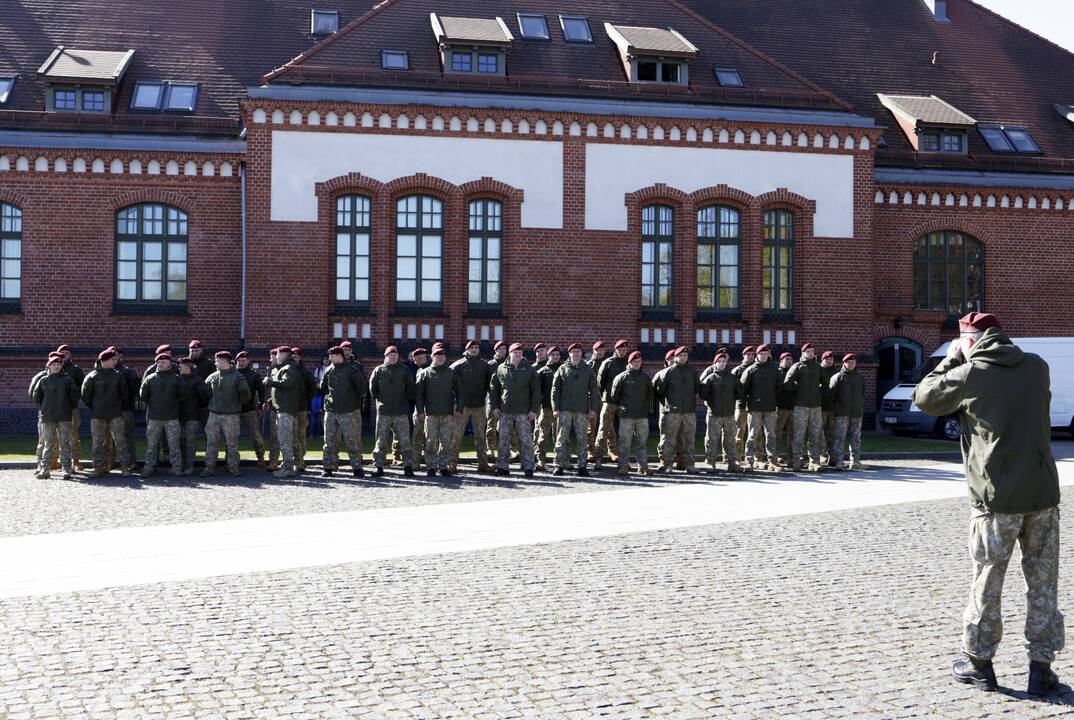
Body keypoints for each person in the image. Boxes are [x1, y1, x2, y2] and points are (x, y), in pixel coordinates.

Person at [913, 312, 1063, 697]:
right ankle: (1041, 668)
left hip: (997, 498)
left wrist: (953, 358)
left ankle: (979, 664)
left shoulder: (970, 374)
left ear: (969, 340)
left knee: (988, 581)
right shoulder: (1036, 366)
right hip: (1042, 492)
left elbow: (925, 397)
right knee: (1043, 584)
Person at [489, 342, 539, 477]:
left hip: (524, 412)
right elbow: (494, 390)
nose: (517, 355)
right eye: (515, 352)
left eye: (520, 353)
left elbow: (536, 391)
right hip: (505, 411)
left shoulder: (529, 369)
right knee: (504, 440)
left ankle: (528, 466)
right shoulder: (501, 368)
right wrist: (494, 407)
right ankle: (502, 467)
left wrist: (534, 409)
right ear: (509, 354)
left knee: (526, 440)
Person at [551, 343, 600, 476]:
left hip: (581, 410)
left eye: (578, 351)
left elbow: (594, 391)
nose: (576, 353)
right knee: (561, 438)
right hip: (565, 410)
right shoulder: (562, 369)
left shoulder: (588, 370)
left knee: (582, 439)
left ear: (581, 353)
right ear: (569, 354)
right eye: (573, 351)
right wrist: (555, 408)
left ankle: (582, 466)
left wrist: (594, 409)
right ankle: (559, 465)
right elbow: (555, 390)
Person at [81, 348, 131, 477]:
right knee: (98, 442)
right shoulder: (92, 376)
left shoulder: (118, 375)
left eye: (115, 359)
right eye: (113, 359)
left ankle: (125, 467)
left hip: (116, 414)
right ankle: (99, 467)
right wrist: (95, 407)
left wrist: (118, 407)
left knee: (121, 441)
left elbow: (124, 394)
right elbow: (85, 395)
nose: (115, 361)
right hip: (98, 415)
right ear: (104, 361)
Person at [319, 345, 367, 478]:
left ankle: (357, 467)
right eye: (329, 356)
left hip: (348, 411)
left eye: (332, 356)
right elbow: (323, 388)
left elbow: (362, 389)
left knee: (352, 440)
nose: (329, 358)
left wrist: (352, 401)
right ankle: (328, 467)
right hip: (331, 411)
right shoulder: (329, 370)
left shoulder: (352, 370)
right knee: (329, 441)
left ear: (339, 356)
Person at [415, 344, 463, 477]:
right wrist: (420, 411)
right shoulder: (425, 373)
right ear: (432, 357)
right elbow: (419, 394)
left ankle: (443, 466)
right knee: (430, 441)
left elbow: (460, 392)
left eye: (442, 356)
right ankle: (431, 466)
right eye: (437, 356)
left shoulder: (451, 373)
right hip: (430, 414)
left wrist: (459, 408)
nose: (440, 358)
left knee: (446, 442)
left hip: (447, 414)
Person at [31, 352, 79, 480]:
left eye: (58, 364)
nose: (56, 366)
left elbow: (74, 397)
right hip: (47, 416)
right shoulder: (43, 380)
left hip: (64, 416)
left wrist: (67, 407)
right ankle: (45, 469)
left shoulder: (67, 380)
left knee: (65, 443)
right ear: (49, 366)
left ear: (61, 366)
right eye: (54, 364)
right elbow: (36, 397)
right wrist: (45, 408)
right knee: (48, 443)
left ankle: (66, 469)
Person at [202, 351, 250, 477]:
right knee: (211, 441)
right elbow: (205, 391)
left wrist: (235, 405)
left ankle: (233, 467)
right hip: (214, 414)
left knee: (232, 442)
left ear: (224, 361)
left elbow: (245, 394)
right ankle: (210, 466)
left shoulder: (237, 377)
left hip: (231, 415)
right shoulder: (212, 377)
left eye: (217, 361)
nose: (215, 363)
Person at [369, 345, 415, 477]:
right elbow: (373, 389)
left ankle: (408, 466)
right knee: (381, 441)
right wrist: (381, 402)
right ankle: (378, 466)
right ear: (386, 357)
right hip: (383, 411)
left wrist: (403, 401)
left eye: (395, 355)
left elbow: (410, 389)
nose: (393, 357)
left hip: (400, 411)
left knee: (405, 440)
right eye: (391, 355)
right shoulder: (379, 370)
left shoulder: (404, 370)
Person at [652, 346, 699, 474]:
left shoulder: (692, 371)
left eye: (685, 355)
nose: (683, 358)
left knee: (689, 440)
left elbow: (696, 388)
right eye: (680, 356)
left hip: (689, 411)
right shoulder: (668, 372)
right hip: (673, 412)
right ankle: (668, 464)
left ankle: (690, 465)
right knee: (670, 440)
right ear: (675, 357)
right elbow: (659, 391)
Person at [450, 340, 494, 474]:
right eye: (472, 348)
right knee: (456, 436)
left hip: (479, 405)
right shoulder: (458, 365)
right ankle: (452, 463)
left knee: (480, 436)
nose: (474, 350)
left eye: (476, 347)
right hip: (462, 407)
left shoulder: (484, 365)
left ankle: (483, 464)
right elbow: (449, 384)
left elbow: (489, 384)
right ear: (466, 349)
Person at [139, 352, 183, 477]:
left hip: (172, 417)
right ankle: (149, 467)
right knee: (152, 444)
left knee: (174, 444)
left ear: (170, 363)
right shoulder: (150, 378)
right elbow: (143, 396)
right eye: (158, 362)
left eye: (163, 362)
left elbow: (182, 396)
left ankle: (177, 467)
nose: (160, 364)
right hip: (154, 417)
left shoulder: (176, 378)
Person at [609, 350, 652, 477]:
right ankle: (623, 466)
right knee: (624, 442)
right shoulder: (621, 377)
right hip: (626, 415)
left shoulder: (645, 377)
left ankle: (643, 466)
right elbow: (614, 395)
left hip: (642, 415)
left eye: (639, 361)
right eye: (634, 362)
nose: (637, 364)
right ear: (630, 363)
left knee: (642, 442)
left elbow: (650, 394)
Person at [264, 346, 303, 478]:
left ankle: (288, 468)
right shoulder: (285, 368)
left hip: (285, 410)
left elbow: (287, 383)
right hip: (283, 408)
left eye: (279, 355)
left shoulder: (288, 368)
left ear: (284, 355)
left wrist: (271, 382)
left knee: (285, 439)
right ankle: (295, 463)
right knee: (290, 439)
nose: (276, 357)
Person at [740, 344, 780, 472]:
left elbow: (779, 388)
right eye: (760, 353)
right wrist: (745, 404)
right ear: (757, 355)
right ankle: (749, 461)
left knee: (771, 435)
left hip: (770, 407)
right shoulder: (751, 370)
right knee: (752, 435)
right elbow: (742, 390)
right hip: (754, 408)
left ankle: (773, 462)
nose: (763, 355)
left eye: (765, 353)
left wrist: (774, 400)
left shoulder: (775, 369)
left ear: (769, 354)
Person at [785, 342, 824, 471]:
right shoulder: (797, 367)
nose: (810, 353)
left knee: (815, 434)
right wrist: (799, 391)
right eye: (807, 351)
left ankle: (814, 461)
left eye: (812, 351)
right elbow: (787, 384)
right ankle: (796, 460)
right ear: (803, 353)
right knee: (799, 434)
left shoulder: (818, 368)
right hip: (801, 406)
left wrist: (819, 393)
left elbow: (826, 383)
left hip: (815, 406)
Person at [700, 349, 741, 473]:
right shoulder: (710, 378)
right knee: (712, 439)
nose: (722, 363)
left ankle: (732, 463)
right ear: (715, 363)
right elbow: (703, 393)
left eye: (724, 361)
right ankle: (711, 463)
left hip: (729, 414)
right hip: (714, 414)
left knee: (730, 439)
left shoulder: (732, 378)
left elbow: (739, 392)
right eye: (719, 361)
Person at [595, 339, 630, 467]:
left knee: (625, 432)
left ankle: (623, 460)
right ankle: (598, 458)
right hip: (609, 402)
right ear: (615, 350)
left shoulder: (630, 362)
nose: (622, 352)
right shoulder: (608, 363)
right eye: (620, 350)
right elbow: (600, 384)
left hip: (625, 403)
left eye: (624, 350)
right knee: (603, 430)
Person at [829, 353, 865, 471]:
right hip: (842, 413)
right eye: (848, 362)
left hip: (857, 413)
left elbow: (862, 395)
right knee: (840, 437)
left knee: (856, 438)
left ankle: (855, 461)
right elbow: (832, 395)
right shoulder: (838, 377)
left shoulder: (860, 378)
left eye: (853, 362)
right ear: (844, 363)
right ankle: (839, 460)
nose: (851, 364)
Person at [177, 356, 208, 475]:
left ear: (188, 367)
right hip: (178, 415)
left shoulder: (198, 381)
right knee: (180, 441)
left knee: (190, 441)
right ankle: (181, 464)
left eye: (182, 365)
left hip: (192, 416)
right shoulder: (177, 379)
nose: (179, 367)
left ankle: (189, 466)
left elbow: (204, 397)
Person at [235, 351, 267, 468]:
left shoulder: (254, 375)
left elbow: (261, 391)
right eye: (239, 361)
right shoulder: (232, 373)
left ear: (248, 361)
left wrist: (260, 406)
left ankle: (260, 457)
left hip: (249, 409)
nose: (241, 363)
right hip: (234, 410)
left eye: (243, 361)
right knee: (232, 436)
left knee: (255, 435)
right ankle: (232, 460)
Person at [57, 344, 86, 472]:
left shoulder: (76, 370)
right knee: (54, 436)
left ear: (70, 355)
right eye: (61, 353)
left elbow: (83, 388)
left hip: (71, 408)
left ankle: (76, 460)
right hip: (54, 408)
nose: (64, 356)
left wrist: (74, 400)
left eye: (66, 353)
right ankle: (55, 460)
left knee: (73, 435)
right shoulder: (53, 367)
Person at [534, 346, 562, 471]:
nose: (555, 357)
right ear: (548, 356)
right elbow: (535, 391)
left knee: (560, 436)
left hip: (561, 409)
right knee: (542, 436)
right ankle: (541, 460)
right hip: (546, 408)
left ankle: (561, 461)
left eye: (557, 354)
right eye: (553, 354)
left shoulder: (564, 370)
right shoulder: (542, 372)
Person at [403, 347, 430, 470]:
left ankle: (431, 462)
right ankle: (415, 462)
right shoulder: (416, 369)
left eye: (419, 358)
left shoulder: (432, 368)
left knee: (431, 437)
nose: (416, 361)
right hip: (417, 407)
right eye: (415, 359)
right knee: (417, 435)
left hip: (432, 407)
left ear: (426, 357)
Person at [292, 347, 318, 472]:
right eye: (292, 357)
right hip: (289, 408)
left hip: (301, 408)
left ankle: (300, 460)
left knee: (301, 434)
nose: (293, 359)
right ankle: (291, 459)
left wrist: (305, 400)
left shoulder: (305, 372)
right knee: (289, 435)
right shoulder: (287, 370)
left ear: (300, 358)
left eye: (296, 357)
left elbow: (312, 389)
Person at [485, 340, 509, 462]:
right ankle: (491, 449)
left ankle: (513, 449)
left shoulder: (509, 363)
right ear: (495, 350)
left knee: (510, 425)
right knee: (491, 425)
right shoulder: (490, 364)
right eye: (500, 349)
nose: (502, 351)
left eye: (504, 349)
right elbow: (485, 381)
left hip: (506, 399)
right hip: (492, 398)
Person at [732, 346, 757, 461]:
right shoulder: (737, 370)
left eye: (752, 354)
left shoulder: (757, 368)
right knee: (738, 431)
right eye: (748, 354)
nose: (751, 356)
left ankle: (757, 456)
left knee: (756, 432)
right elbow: (732, 389)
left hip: (755, 406)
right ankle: (737, 456)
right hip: (741, 405)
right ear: (743, 356)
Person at [586, 340, 609, 462]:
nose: (600, 352)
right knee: (591, 426)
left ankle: (611, 451)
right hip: (592, 399)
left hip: (605, 399)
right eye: (597, 350)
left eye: (602, 350)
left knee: (608, 426)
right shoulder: (588, 365)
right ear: (593, 351)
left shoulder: (608, 364)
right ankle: (591, 450)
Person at [773, 352, 796, 466]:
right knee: (776, 433)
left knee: (793, 434)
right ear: (781, 360)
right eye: (787, 359)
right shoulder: (777, 372)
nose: (789, 361)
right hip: (780, 407)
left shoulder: (795, 372)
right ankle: (774, 456)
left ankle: (792, 458)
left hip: (793, 407)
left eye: (791, 359)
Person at [819, 350, 839, 466]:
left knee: (831, 433)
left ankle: (832, 456)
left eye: (831, 359)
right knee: (818, 433)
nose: (829, 361)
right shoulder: (818, 370)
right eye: (827, 359)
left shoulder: (836, 373)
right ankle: (822, 455)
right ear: (823, 360)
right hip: (820, 407)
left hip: (833, 407)